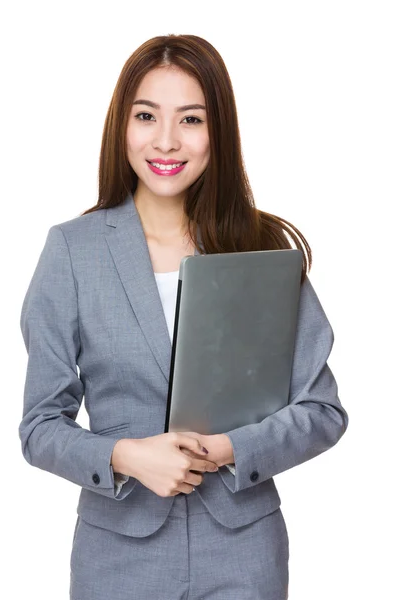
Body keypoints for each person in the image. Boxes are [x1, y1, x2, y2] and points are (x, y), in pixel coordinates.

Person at [19, 34, 349, 600]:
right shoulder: (73, 251)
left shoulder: (258, 245)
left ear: (217, 131)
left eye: (191, 119)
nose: (166, 140)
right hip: (118, 555)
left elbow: (322, 411)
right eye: (146, 116)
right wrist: (125, 456)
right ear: (121, 124)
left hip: (245, 554)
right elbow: (39, 427)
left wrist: (230, 448)